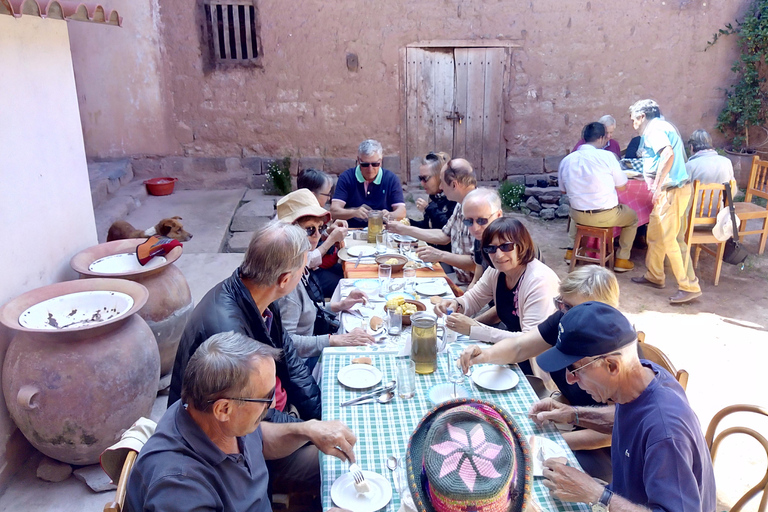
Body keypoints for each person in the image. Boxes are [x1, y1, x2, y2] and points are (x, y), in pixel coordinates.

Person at [168, 221, 322, 494]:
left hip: (264, 415)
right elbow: (250, 421)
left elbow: (290, 359)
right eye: (303, 268)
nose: (305, 273)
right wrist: (307, 430)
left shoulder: (257, 290)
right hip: (236, 448)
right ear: (285, 280)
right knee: (334, 462)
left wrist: (320, 416)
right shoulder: (228, 332)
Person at [126, 331, 354, 511]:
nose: (273, 404)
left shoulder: (206, 411)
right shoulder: (179, 490)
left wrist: (307, 430)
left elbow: (259, 441)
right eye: (266, 397)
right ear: (223, 409)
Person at [529, 302, 716, 512]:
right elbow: (632, 419)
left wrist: (597, 494)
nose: (569, 380)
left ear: (612, 366)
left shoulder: (666, 432)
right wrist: (573, 414)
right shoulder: (645, 376)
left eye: (575, 369)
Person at [458, 265, 619, 482]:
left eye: (568, 306)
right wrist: (482, 355)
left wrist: (556, 441)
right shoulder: (566, 320)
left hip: (600, 452)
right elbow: (520, 347)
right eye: (559, 302)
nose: (561, 310)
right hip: (568, 421)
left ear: (600, 311)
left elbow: (613, 431)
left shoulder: (615, 356)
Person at [275, 189, 373, 362]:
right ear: (288, 232)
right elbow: (285, 342)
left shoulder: (297, 261)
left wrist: (340, 305)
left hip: (313, 342)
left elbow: (307, 311)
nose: (318, 236)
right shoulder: (288, 281)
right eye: (309, 230)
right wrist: (335, 340)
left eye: (321, 228)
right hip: (301, 363)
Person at [434, 217, 559, 346]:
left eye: (506, 246)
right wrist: (456, 304)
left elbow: (531, 341)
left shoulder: (539, 282)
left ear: (521, 246)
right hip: (513, 347)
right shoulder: (496, 270)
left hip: (538, 357)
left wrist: (476, 329)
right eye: (491, 249)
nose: (498, 255)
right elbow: (474, 299)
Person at [628, 99, 702, 304]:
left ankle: (689, 286)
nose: (633, 124)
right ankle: (655, 274)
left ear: (642, 117)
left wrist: (658, 184)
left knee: (672, 240)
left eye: (634, 120)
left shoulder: (654, 130)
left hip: (671, 191)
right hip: (674, 190)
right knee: (656, 235)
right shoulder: (665, 126)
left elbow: (667, 154)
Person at [560, 122, 638, 272]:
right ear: (602, 138)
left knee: (574, 210)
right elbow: (622, 186)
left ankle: (571, 252)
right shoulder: (607, 157)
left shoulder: (567, 160)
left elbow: (563, 191)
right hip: (605, 216)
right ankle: (622, 259)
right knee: (632, 218)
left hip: (578, 216)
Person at [387, 158, 477, 284]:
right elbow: (444, 235)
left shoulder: (478, 210)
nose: (440, 187)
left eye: (442, 183)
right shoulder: (461, 204)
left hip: (470, 285)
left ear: (454, 185)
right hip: (459, 277)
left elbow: (477, 263)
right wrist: (404, 229)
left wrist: (440, 255)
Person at [330, 139, 406, 227]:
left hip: (382, 230)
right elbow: (334, 211)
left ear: (381, 161)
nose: (370, 169)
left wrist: (390, 215)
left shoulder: (391, 179)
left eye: (375, 164)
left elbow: (402, 211)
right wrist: (354, 212)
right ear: (358, 160)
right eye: (365, 165)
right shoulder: (346, 178)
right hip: (352, 230)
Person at [297, 168, 349, 296]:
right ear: (312, 195)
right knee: (346, 284)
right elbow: (307, 260)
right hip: (303, 276)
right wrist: (331, 239)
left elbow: (314, 239)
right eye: (326, 195)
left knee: (348, 270)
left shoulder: (305, 209)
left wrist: (327, 232)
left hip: (316, 267)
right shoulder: (298, 218)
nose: (329, 199)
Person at [409, 151, 456, 253]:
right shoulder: (435, 196)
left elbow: (445, 231)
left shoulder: (454, 198)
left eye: (425, 178)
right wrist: (407, 223)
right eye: (420, 178)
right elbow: (428, 228)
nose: (422, 183)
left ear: (440, 177)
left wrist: (429, 208)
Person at [686, 129, 737, 195]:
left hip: (696, 205)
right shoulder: (727, 162)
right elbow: (733, 190)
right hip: (722, 205)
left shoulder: (690, 166)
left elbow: (683, 194)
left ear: (691, 147)